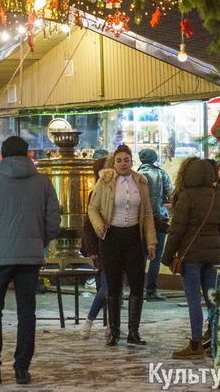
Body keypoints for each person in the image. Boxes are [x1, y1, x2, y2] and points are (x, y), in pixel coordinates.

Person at [0, 136, 61, 386]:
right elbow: (54, 219)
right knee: (27, 312)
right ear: (28, 154)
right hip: (31, 256)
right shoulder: (43, 182)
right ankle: (22, 369)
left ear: (2, 155)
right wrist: (39, 240)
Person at [162, 158, 220, 359]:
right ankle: (216, 343)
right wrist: (218, 235)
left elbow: (177, 230)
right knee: (213, 299)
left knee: (194, 300)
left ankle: (196, 344)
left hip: (191, 256)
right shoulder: (217, 195)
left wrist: (167, 257)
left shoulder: (186, 196)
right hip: (213, 254)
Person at [87, 144, 156, 347]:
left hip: (134, 238)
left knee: (137, 285)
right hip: (111, 238)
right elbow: (92, 208)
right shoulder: (105, 180)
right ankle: (114, 332)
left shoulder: (141, 181)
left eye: (126, 160)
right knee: (113, 286)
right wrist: (99, 226)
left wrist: (151, 242)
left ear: (132, 161)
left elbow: (148, 214)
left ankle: (134, 332)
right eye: (119, 160)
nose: (123, 163)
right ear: (114, 162)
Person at [137, 148, 174, 301]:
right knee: (156, 257)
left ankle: (137, 290)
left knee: (140, 257)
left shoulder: (135, 175)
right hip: (159, 219)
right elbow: (171, 194)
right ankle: (151, 290)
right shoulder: (162, 173)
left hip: (139, 221)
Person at [79, 157, 109, 339]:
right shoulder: (96, 192)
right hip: (102, 246)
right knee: (107, 288)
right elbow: (89, 225)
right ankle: (90, 321)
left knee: (110, 289)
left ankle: (110, 326)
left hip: (119, 246)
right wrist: (92, 250)